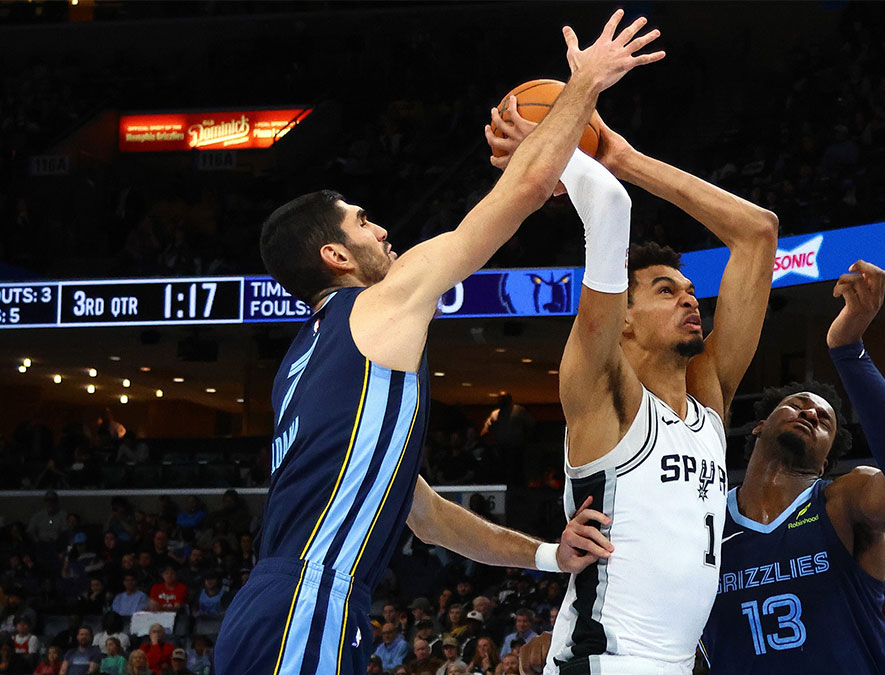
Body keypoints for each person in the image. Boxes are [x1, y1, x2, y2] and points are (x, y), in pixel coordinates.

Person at [213, 12, 662, 675]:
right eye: (364, 223)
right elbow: (523, 190)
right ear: (335, 254)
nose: (384, 230)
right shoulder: (376, 305)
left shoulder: (302, 365)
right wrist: (585, 85)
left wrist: (546, 554)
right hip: (310, 598)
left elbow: (424, 513)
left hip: (270, 603)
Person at [496, 31, 778, 675]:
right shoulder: (605, 392)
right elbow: (606, 220)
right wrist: (564, 143)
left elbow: (757, 232)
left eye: (689, 290)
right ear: (622, 317)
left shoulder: (708, 400)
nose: (690, 300)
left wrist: (622, 155)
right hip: (603, 661)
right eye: (664, 289)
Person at [693, 262, 885, 674]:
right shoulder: (704, 519)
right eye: (797, 405)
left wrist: (848, 349)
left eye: (824, 420)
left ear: (826, 459)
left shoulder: (843, 500)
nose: (810, 413)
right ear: (759, 425)